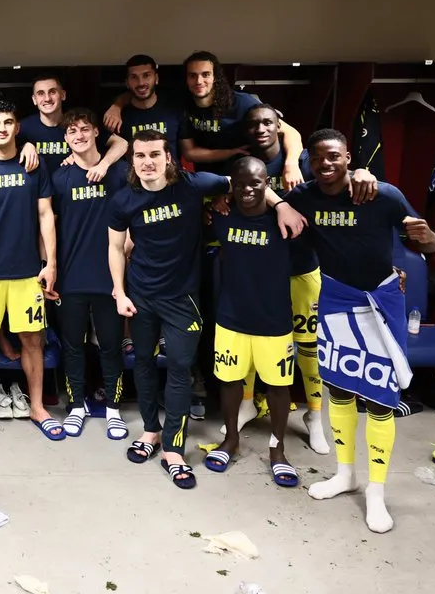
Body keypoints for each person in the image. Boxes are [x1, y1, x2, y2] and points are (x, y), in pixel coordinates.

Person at [108, 130, 304, 489]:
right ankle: (150, 431)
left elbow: (245, 178)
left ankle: (174, 448)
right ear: (132, 161)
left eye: (155, 154)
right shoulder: (123, 200)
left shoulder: (194, 185)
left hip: (183, 299)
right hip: (141, 297)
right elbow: (115, 247)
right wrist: (119, 292)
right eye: (140, 156)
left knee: (181, 370)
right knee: (145, 367)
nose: (147, 162)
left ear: (168, 157)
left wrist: (281, 204)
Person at [284, 129, 435, 533]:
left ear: (348, 157)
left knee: (380, 398)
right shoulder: (305, 197)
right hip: (335, 297)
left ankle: (376, 491)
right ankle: (345, 473)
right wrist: (279, 203)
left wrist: (431, 238)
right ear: (310, 162)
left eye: (333, 156)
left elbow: (429, 241)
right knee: (337, 388)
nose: (325, 164)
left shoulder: (381, 193)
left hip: (381, 300)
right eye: (317, 158)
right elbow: (268, 198)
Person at [0, 99, 60, 444]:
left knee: (33, 339)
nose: (2, 128)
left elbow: (46, 215)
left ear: (17, 128)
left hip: (26, 272)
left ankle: (36, 407)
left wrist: (50, 263)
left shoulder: (33, 166)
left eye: (8, 122)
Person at [205, 157, 300, 487]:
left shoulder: (284, 221)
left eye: (255, 183)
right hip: (231, 318)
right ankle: (231, 439)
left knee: (277, 386)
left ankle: (278, 449)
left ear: (267, 184)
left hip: (274, 320)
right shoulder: (220, 216)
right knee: (230, 381)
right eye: (240, 183)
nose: (248, 189)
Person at [243, 103, 328, 453]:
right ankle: (247, 402)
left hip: (302, 267)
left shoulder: (305, 160)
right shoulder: (247, 165)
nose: (261, 129)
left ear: (280, 126)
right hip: (260, 270)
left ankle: (314, 415)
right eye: (254, 125)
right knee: (248, 342)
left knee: (308, 348)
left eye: (268, 123)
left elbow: (339, 176)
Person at [51, 108, 130, 440]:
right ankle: (76, 406)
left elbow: (133, 220)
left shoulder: (120, 172)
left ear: (97, 132)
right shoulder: (60, 177)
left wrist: (124, 270)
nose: (79, 136)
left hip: (110, 278)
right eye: (72, 132)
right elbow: (49, 225)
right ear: (66, 138)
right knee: (72, 346)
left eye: (84, 129)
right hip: (71, 277)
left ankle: (113, 409)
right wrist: (49, 266)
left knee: (111, 345)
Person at [178, 51, 304, 181]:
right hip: (209, 178)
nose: (199, 81)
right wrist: (230, 153)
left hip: (245, 176)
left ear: (215, 77)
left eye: (206, 74)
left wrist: (291, 165)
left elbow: (291, 133)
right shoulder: (183, 106)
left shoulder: (242, 102)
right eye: (193, 75)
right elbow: (189, 153)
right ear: (186, 79)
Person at [103, 54, 185, 143]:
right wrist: (117, 106)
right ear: (127, 83)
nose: (141, 83)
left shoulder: (174, 108)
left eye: (146, 75)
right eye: (134, 77)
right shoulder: (116, 117)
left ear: (156, 78)